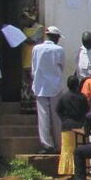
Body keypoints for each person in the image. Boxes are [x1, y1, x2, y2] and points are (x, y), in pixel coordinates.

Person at [31, 25, 65, 154]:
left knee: (43, 116)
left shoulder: (36, 49)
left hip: (40, 86)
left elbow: (34, 68)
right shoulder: (59, 50)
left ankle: (47, 144)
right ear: (56, 37)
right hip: (55, 86)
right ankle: (59, 144)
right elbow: (61, 67)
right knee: (56, 116)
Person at [56, 75, 89, 176]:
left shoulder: (63, 97)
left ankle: (71, 172)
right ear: (78, 85)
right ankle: (81, 171)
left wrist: (64, 120)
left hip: (67, 127)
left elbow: (58, 110)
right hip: (80, 127)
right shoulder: (82, 97)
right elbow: (86, 110)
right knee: (80, 149)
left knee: (68, 150)